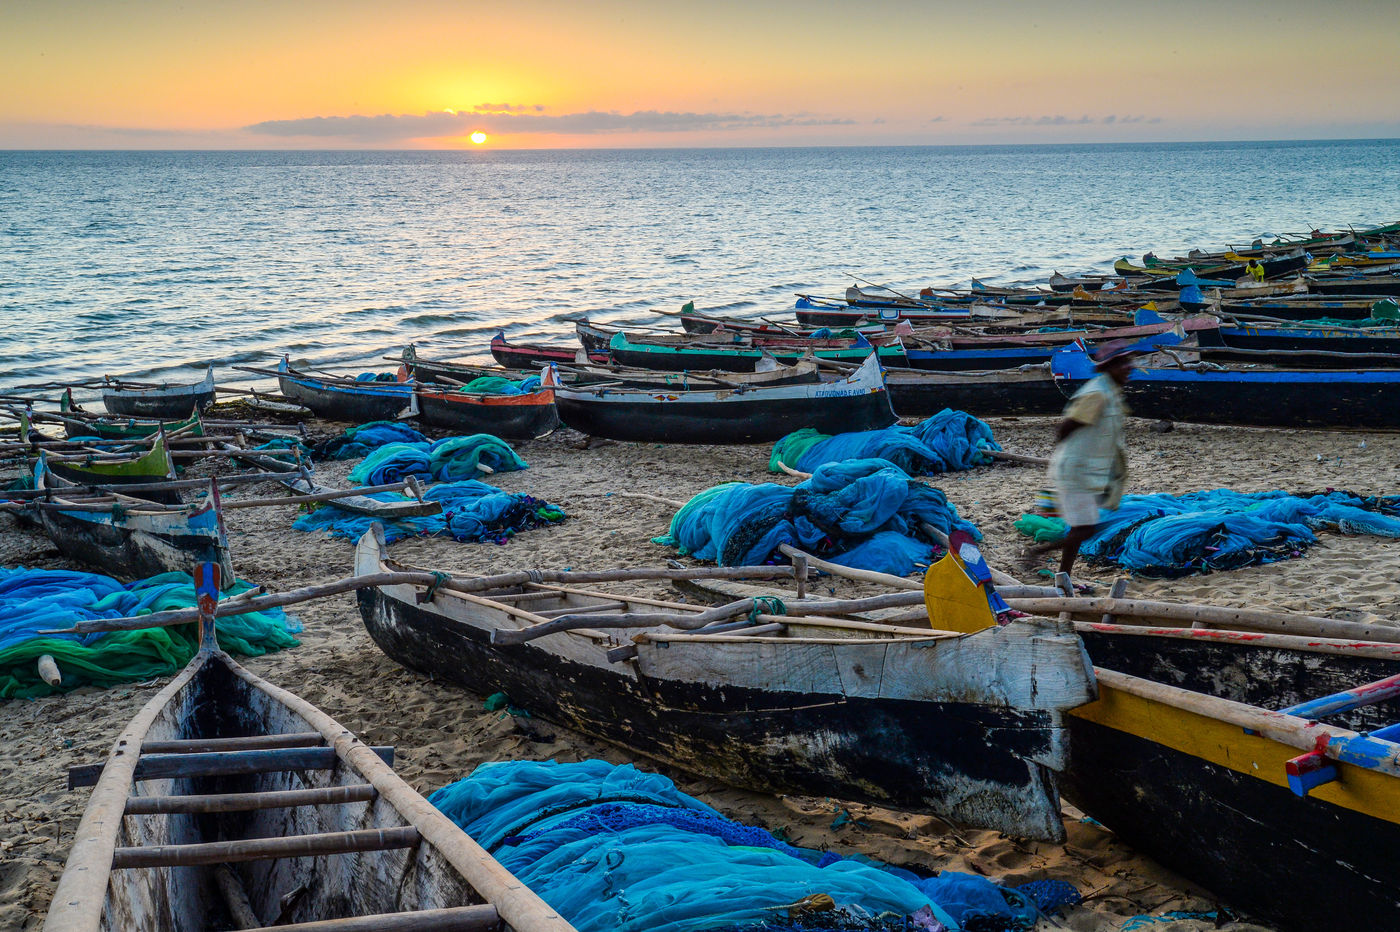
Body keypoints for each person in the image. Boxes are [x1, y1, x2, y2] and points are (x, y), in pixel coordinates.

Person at [1024, 340, 1137, 576]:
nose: (1129, 367)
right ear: (1109, 367)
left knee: (1081, 527)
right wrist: (1070, 458)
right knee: (1085, 529)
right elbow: (1066, 426)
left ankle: (1064, 574)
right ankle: (1040, 552)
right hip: (1077, 471)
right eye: (1123, 363)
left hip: (1088, 471)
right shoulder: (1096, 394)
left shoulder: (1110, 392)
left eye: (1129, 362)